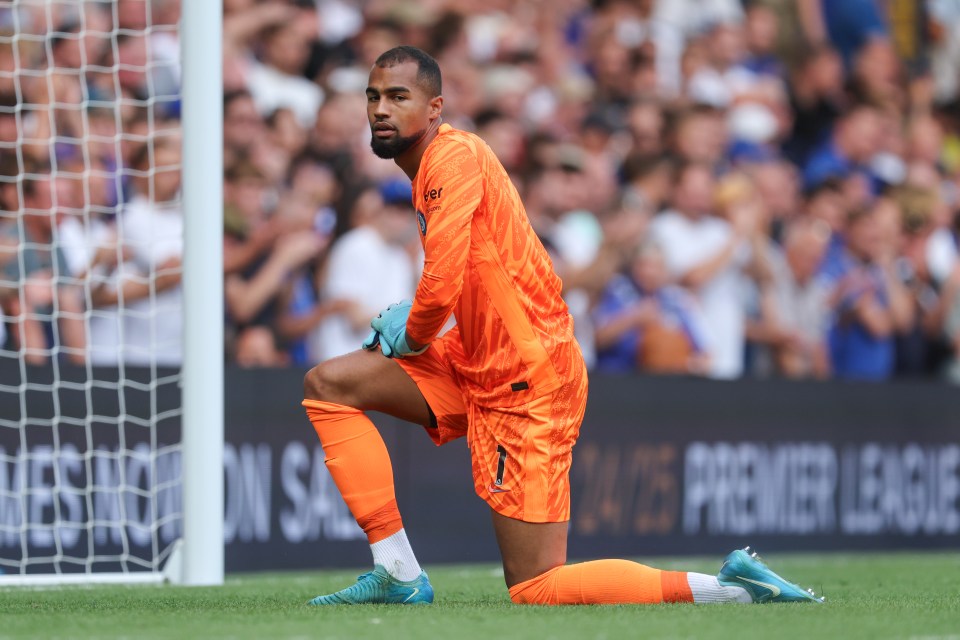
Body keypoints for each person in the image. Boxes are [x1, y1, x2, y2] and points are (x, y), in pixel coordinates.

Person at [301, 45, 822, 606]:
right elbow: (469, 274)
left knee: (535, 586)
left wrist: (413, 330)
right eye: (373, 97)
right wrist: (424, 319)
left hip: (525, 378)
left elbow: (444, 280)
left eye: (398, 96)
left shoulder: (450, 158)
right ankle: (398, 571)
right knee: (330, 386)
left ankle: (732, 590)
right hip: (479, 358)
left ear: (435, 108)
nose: (380, 109)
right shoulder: (437, 167)